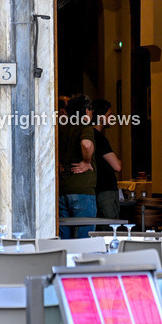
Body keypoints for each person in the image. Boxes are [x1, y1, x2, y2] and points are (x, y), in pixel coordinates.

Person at [58, 94, 96, 239]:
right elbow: (86, 144)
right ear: (87, 111)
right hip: (82, 190)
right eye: (91, 110)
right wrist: (87, 161)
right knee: (84, 239)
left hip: (63, 189)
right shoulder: (85, 126)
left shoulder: (62, 128)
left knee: (64, 239)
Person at [92, 98, 122, 223]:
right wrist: (120, 161)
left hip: (94, 189)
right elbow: (117, 166)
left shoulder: (86, 134)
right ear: (100, 117)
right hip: (106, 190)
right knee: (109, 228)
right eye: (109, 115)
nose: (112, 118)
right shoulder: (99, 138)